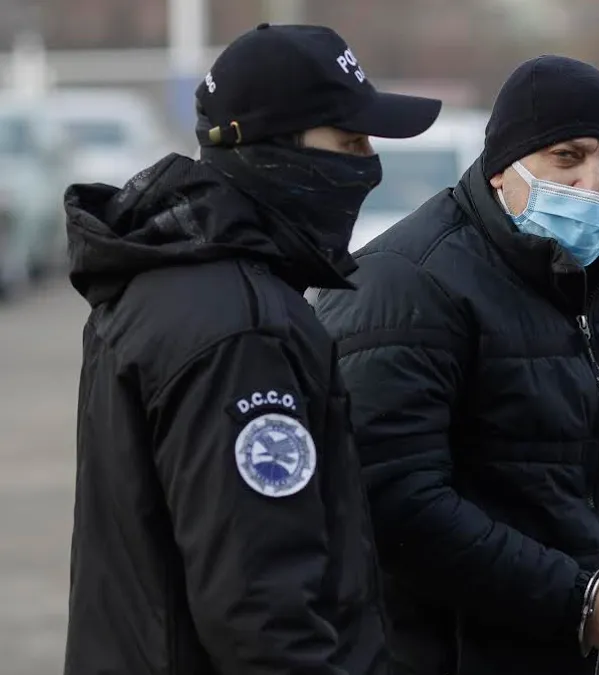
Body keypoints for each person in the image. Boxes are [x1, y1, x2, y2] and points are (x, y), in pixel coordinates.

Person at [314, 55, 599, 675]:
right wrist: (581, 601)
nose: (593, 184)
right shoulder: (407, 281)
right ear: (499, 171)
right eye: (567, 156)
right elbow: (395, 499)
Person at [62, 23, 442, 675]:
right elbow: (264, 614)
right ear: (275, 153)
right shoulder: (245, 330)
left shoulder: (164, 282)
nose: (367, 165)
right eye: (348, 142)